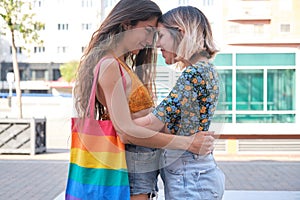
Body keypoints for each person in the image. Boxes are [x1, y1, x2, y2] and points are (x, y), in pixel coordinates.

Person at [72, 0, 215, 200]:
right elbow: (126, 131)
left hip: (142, 166)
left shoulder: (119, 64)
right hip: (136, 167)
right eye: (148, 30)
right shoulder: (109, 65)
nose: (151, 41)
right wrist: (187, 143)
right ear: (127, 24)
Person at [132, 6, 225, 200]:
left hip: (191, 179)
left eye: (161, 36)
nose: (157, 45)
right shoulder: (204, 70)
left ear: (180, 33)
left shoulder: (195, 74)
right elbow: (169, 124)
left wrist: (118, 125)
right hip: (194, 176)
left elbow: (153, 123)